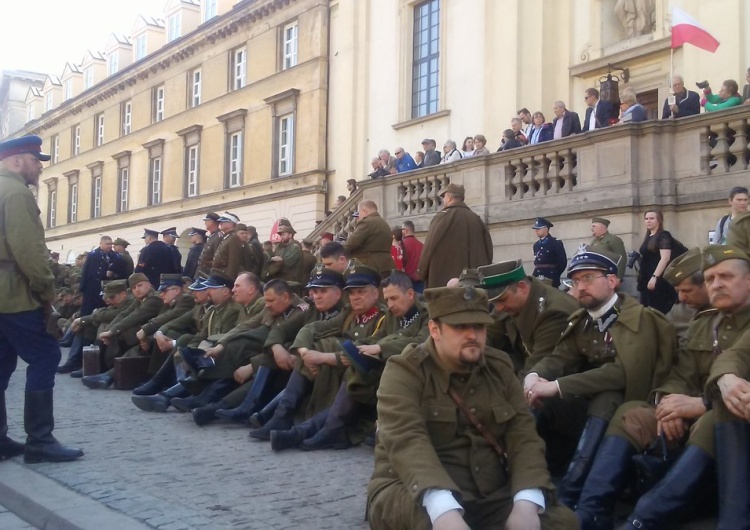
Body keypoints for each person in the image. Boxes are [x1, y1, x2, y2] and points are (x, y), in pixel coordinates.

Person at [367, 285, 577, 530]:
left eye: (478, 326)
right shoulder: (405, 371)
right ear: (435, 330)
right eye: (460, 327)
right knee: (428, 524)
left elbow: (523, 435)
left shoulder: (499, 368)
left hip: (488, 492)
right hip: (412, 487)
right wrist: (443, 508)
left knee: (561, 523)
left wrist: (526, 500)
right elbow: (407, 440)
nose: (472, 335)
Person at [524, 246, 675, 509]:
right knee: (539, 396)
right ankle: (526, 480)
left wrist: (558, 386)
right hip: (590, 410)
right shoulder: (583, 320)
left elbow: (623, 373)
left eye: (589, 278)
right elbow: (561, 357)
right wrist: (535, 376)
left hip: (633, 407)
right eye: (576, 280)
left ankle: (573, 492)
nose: (581, 286)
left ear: (613, 281)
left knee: (606, 396)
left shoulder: (637, 317)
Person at [575, 247, 710, 529]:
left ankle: (642, 520)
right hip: (681, 403)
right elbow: (681, 368)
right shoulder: (686, 312)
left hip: (716, 411)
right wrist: (667, 401)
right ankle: (592, 508)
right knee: (631, 413)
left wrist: (698, 405)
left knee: (710, 424)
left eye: (686, 291)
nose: (680, 297)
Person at [0, 135, 83, 463]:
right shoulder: (17, 192)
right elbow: (30, 251)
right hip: (15, 295)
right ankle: (40, 440)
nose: (39, 166)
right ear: (18, 160)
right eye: (36, 159)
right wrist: (47, 291)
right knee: (47, 355)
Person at [478, 259, 579, 379]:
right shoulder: (509, 305)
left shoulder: (553, 312)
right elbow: (487, 336)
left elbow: (538, 369)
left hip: (559, 383)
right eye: (494, 302)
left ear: (522, 287)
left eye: (502, 300)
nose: (498, 308)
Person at [417, 183, 493, 289]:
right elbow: (488, 250)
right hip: (473, 283)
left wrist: (421, 271)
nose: (443, 200)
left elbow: (429, 247)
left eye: (444, 197)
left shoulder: (442, 217)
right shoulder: (476, 219)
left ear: (449, 197)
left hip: (443, 284)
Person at [637, 210, 680, 314]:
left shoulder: (663, 235)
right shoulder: (649, 236)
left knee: (659, 310)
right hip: (646, 278)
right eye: (646, 219)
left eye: (652, 218)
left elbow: (665, 258)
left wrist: (654, 277)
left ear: (659, 220)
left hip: (659, 279)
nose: (648, 221)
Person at [343, 200, 395, 276]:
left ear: (364, 211)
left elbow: (351, 243)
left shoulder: (366, 222)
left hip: (369, 267)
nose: (359, 216)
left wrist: (336, 253)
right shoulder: (383, 223)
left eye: (359, 213)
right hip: (386, 265)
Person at [79, 236, 117, 316]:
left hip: (106, 287)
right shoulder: (93, 255)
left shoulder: (113, 255)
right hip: (92, 288)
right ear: (101, 244)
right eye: (107, 244)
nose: (110, 246)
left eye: (111, 244)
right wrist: (82, 288)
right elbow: (86, 272)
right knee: (88, 310)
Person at [531, 217, 567, 288]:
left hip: (550, 277)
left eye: (539, 229)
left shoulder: (555, 243)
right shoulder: (536, 245)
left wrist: (554, 274)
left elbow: (562, 262)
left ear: (546, 229)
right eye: (536, 229)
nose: (536, 231)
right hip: (537, 277)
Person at [401, 220, 424, 292]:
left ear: (405, 230)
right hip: (419, 278)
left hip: (406, 279)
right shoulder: (421, 245)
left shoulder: (402, 245)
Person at [197, 212, 222, 277]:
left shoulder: (218, 237)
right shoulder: (212, 236)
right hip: (204, 271)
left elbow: (217, 257)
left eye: (206, 221)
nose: (205, 223)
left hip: (210, 273)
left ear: (211, 222)